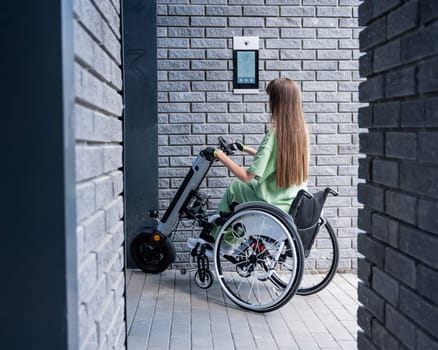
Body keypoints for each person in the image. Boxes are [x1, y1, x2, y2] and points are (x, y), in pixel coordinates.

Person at [188, 77, 309, 252]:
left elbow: (247, 177)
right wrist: (245, 149)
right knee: (246, 189)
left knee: (235, 189)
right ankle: (229, 237)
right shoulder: (301, 131)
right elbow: (278, 158)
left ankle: (219, 241)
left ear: (276, 103)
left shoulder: (274, 134)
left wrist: (219, 155)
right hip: (287, 200)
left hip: (271, 203)